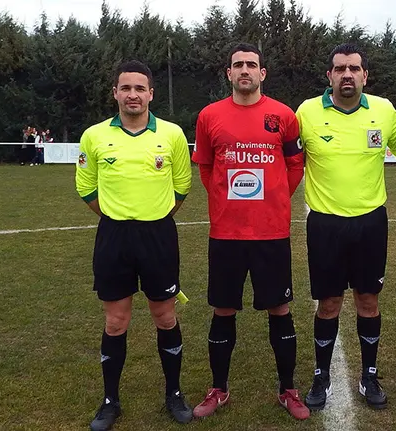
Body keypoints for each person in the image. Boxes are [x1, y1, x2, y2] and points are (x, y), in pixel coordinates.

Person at [190, 43, 309, 421]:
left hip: (271, 232)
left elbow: (295, 166)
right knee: (223, 308)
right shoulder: (209, 116)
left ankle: (288, 389)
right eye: (238, 65)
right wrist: (224, 201)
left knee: (280, 308)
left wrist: (274, 198)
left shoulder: (283, 115)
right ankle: (218, 389)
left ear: (262, 73)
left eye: (251, 64)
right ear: (229, 73)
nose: (245, 70)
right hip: (226, 233)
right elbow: (206, 167)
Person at [75, 60, 193, 431]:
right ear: (115, 93)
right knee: (116, 321)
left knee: (165, 316)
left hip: (158, 235)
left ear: (151, 94)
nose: (133, 95)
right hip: (114, 237)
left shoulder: (172, 134)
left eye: (140, 88)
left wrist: (153, 216)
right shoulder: (94, 135)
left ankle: (174, 393)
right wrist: (117, 216)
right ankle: (110, 401)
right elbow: (86, 187)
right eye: (126, 88)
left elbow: (182, 186)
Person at [296, 43, 396, 411]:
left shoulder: (384, 111)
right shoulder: (307, 112)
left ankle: (369, 375)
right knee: (328, 304)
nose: (347, 74)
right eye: (340, 68)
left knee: (368, 301)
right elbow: (286, 158)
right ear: (329, 75)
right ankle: (321, 375)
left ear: (365, 76)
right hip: (325, 224)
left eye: (354, 69)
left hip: (370, 223)